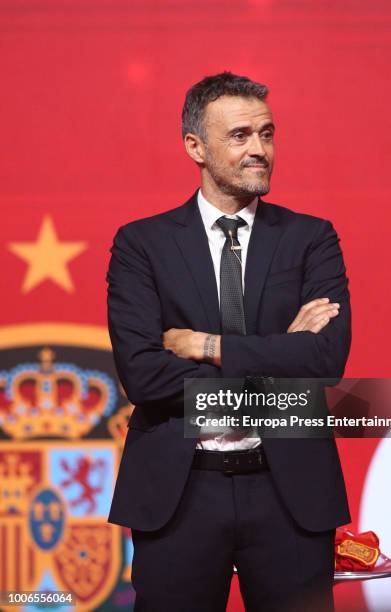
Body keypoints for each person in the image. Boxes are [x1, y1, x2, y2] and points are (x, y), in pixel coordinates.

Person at [107, 72, 351, 612]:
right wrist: (278, 356)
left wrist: (205, 345)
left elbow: (325, 359)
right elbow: (145, 377)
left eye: (267, 133)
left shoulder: (312, 238)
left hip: (290, 493)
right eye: (240, 136)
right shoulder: (141, 244)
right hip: (180, 492)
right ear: (195, 146)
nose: (259, 149)